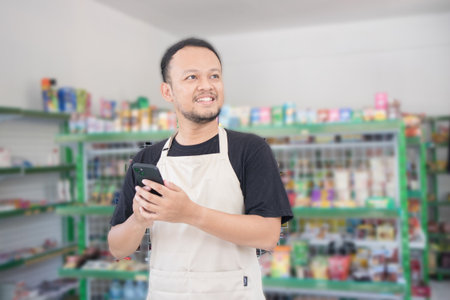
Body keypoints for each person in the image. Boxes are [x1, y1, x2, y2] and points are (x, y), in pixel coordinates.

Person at [108, 37, 293, 300]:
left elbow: (268, 235)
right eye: (191, 77)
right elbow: (117, 248)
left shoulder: (250, 149)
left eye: (214, 75)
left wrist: (190, 213)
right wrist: (139, 220)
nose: (206, 86)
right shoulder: (146, 159)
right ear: (167, 91)